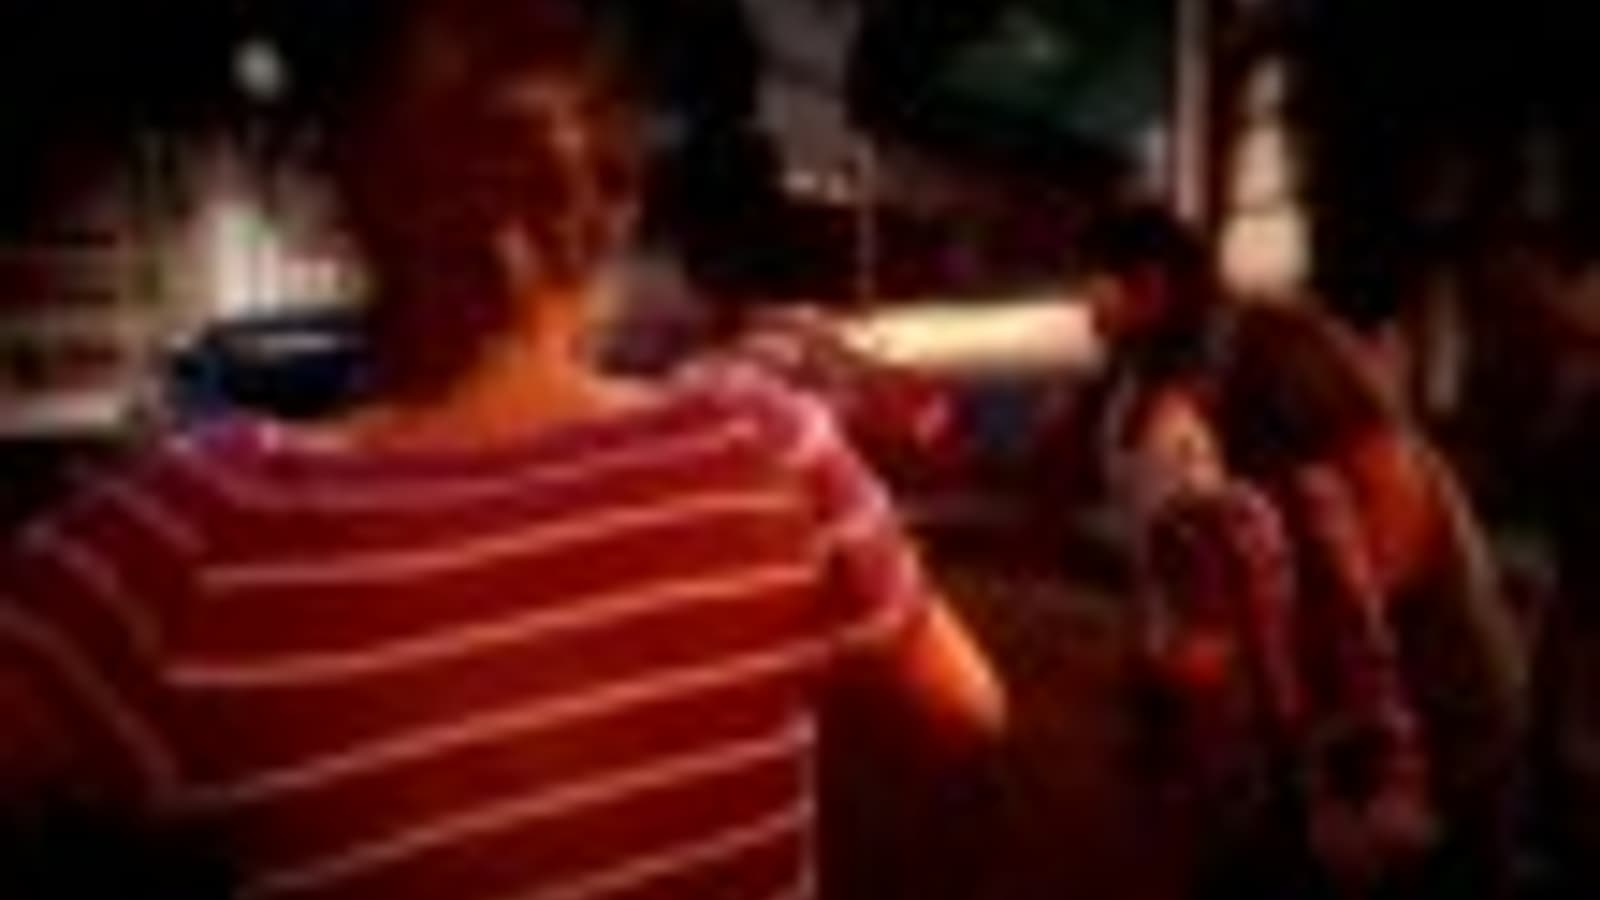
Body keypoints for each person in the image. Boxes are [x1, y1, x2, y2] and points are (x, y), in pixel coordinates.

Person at [0, 2, 1005, 898]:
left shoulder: (187, 530)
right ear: (617, 203)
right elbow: (966, 713)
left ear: (347, 198)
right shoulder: (767, 442)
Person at [1084, 208, 1527, 897]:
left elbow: (1399, 516)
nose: (1087, 307)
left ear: (1151, 283)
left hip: (1429, 704)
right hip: (1315, 740)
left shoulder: (1280, 347)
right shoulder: (1154, 380)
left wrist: (1283, 662)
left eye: (1096, 281)